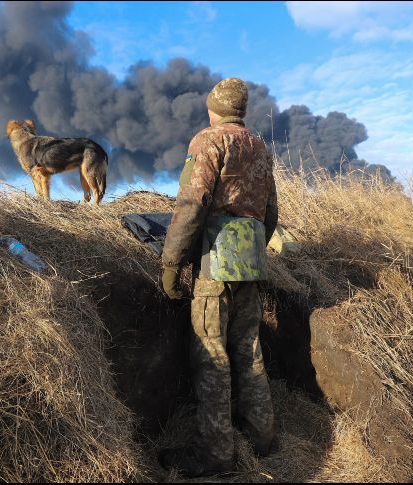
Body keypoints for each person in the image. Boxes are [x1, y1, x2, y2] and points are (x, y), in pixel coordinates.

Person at [159, 77, 279, 477]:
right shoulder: (259, 146)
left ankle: (215, 454)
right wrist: (253, 247)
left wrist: (172, 264)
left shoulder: (208, 140)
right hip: (252, 260)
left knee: (211, 355)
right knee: (248, 348)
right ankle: (263, 437)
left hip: (216, 263)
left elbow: (192, 204)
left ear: (214, 108)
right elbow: (271, 213)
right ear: (241, 110)